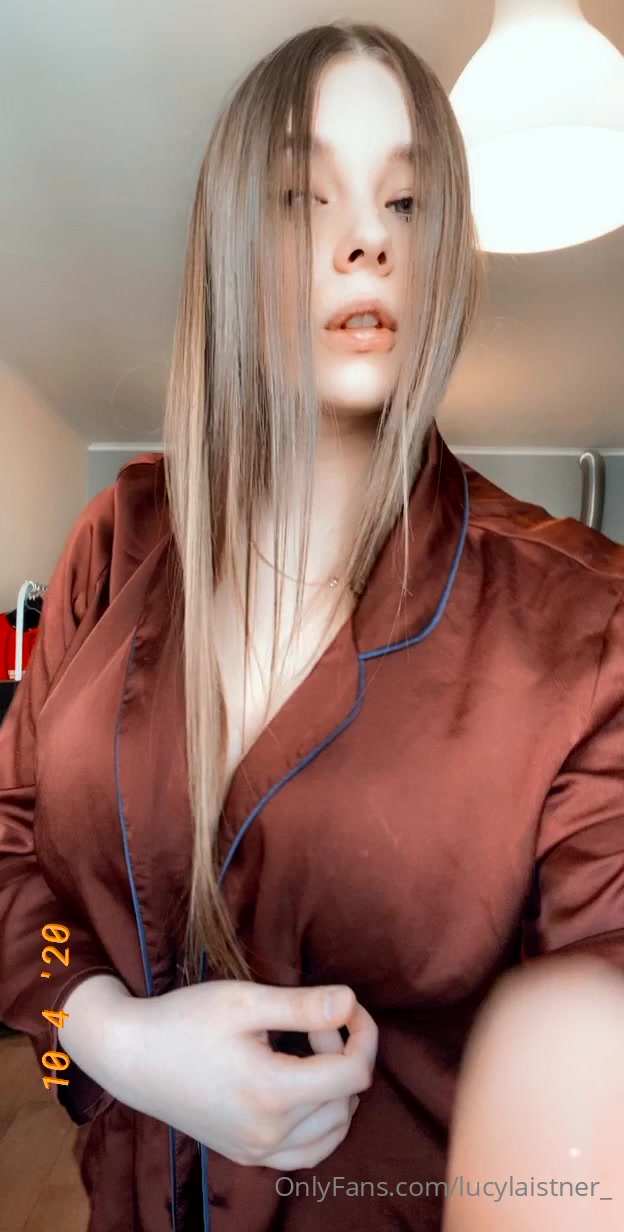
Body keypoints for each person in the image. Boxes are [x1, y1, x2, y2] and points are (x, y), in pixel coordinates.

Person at [0, 19, 622, 1232]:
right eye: (302, 196)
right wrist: (99, 1036)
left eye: (408, 202)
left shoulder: (583, 625)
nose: (366, 237)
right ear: (232, 236)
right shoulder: (116, 542)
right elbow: (11, 850)